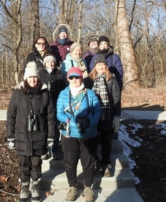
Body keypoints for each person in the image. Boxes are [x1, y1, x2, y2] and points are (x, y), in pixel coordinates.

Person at [6, 61, 56, 202]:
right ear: (25, 79)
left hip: (39, 135)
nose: (33, 80)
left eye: (35, 77)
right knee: (24, 163)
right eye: (30, 77)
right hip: (21, 135)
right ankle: (25, 186)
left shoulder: (45, 93)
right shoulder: (17, 93)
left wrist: (51, 136)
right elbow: (11, 116)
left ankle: (35, 185)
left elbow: (50, 117)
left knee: (36, 162)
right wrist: (10, 136)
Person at [56, 67, 101, 202]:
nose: (75, 80)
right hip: (69, 134)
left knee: (88, 163)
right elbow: (59, 113)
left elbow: (97, 110)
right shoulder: (63, 94)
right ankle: (72, 187)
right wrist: (68, 120)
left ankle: (88, 188)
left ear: (82, 78)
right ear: (68, 79)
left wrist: (92, 122)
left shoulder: (90, 94)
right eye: (72, 77)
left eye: (77, 77)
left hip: (89, 134)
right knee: (70, 163)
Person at [85, 55, 121, 177]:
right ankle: (95, 163)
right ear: (95, 67)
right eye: (98, 65)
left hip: (107, 115)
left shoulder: (112, 80)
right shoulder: (88, 80)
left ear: (106, 66)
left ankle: (106, 165)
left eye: (102, 65)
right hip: (93, 116)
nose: (100, 67)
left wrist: (117, 116)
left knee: (106, 142)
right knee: (93, 142)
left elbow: (116, 99)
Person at [38, 54, 67, 160]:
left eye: (52, 62)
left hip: (55, 103)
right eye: (48, 62)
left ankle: (55, 150)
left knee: (55, 127)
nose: (51, 64)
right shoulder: (40, 74)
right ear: (45, 63)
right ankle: (44, 150)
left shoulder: (59, 75)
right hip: (43, 104)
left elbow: (63, 90)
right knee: (43, 126)